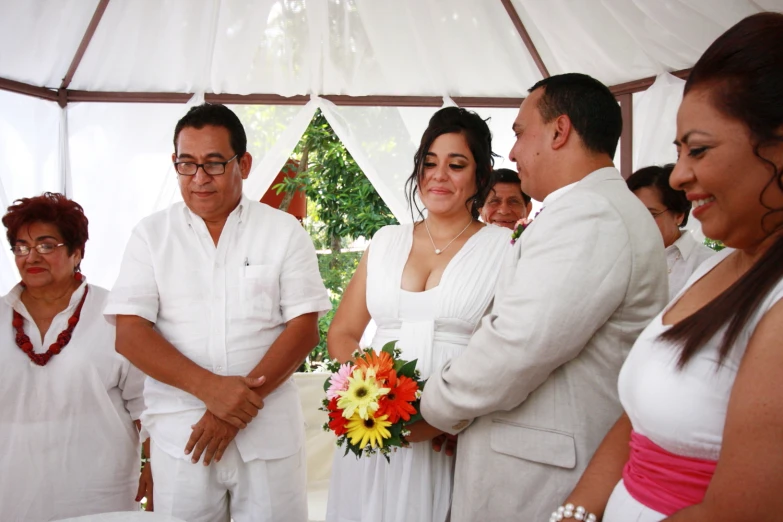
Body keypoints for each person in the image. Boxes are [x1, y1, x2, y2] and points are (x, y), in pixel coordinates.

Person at [562, 12, 783, 522]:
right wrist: (575, 513)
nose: (680, 176)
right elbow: (637, 423)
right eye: (679, 151)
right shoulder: (716, 268)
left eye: (699, 150)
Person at [419, 73, 669, 521]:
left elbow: (517, 344)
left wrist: (433, 407)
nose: (512, 152)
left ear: (560, 130)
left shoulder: (590, 214)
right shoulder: (583, 208)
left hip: (541, 475)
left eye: (518, 133)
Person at [105, 103, 331, 522]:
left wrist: (234, 409)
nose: (199, 178)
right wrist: (211, 390)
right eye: (186, 164)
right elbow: (130, 334)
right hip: (182, 437)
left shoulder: (282, 232)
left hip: (267, 434)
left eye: (213, 163)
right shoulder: (151, 235)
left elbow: (303, 330)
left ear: (242, 163)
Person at [325, 106, 510, 522]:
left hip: (452, 433)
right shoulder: (386, 241)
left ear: (480, 177)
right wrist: (368, 396)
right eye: (429, 163)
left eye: (456, 164)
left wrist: (458, 418)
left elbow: (509, 351)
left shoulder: (504, 248)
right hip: (372, 428)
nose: (438, 175)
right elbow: (343, 332)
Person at [0, 192, 149, 520]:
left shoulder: (116, 315)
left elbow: (147, 404)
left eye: (46, 245)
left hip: (97, 498)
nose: (31, 256)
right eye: (21, 247)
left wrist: (154, 465)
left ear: (77, 252)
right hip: (10, 496)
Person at [627, 164, 715, 299]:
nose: (638, 222)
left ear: (679, 215)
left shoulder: (706, 263)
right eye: (632, 213)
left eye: (651, 214)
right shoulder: (621, 257)